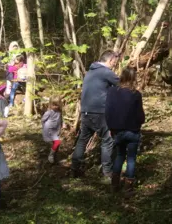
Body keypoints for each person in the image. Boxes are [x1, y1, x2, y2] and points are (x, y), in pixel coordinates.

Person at [71, 50, 120, 181]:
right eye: (114, 63)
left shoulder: (90, 72)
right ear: (110, 60)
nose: (114, 65)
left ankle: (75, 166)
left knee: (82, 139)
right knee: (107, 140)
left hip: (86, 111)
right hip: (100, 112)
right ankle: (107, 171)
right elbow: (122, 85)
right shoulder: (105, 72)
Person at [105, 67, 145, 194]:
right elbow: (140, 116)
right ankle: (128, 187)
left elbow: (108, 111)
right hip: (133, 131)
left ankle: (114, 185)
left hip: (118, 131)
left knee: (120, 155)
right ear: (134, 78)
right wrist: (139, 123)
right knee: (131, 158)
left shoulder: (112, 91)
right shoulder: (136, 94)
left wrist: (111, 127)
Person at [42, 98, 63, 164]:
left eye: (56, 105)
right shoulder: (49, 112)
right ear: (50, 105)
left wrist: (61, 127)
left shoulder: (59, 112)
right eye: (53, 105)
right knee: (57, 142)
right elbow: (43, 120)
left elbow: (60, 120)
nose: (55, 106)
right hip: (49, 129)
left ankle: (54, 155)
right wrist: (44, 127)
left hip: (55, 129)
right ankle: (51, 155)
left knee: (56, 143)